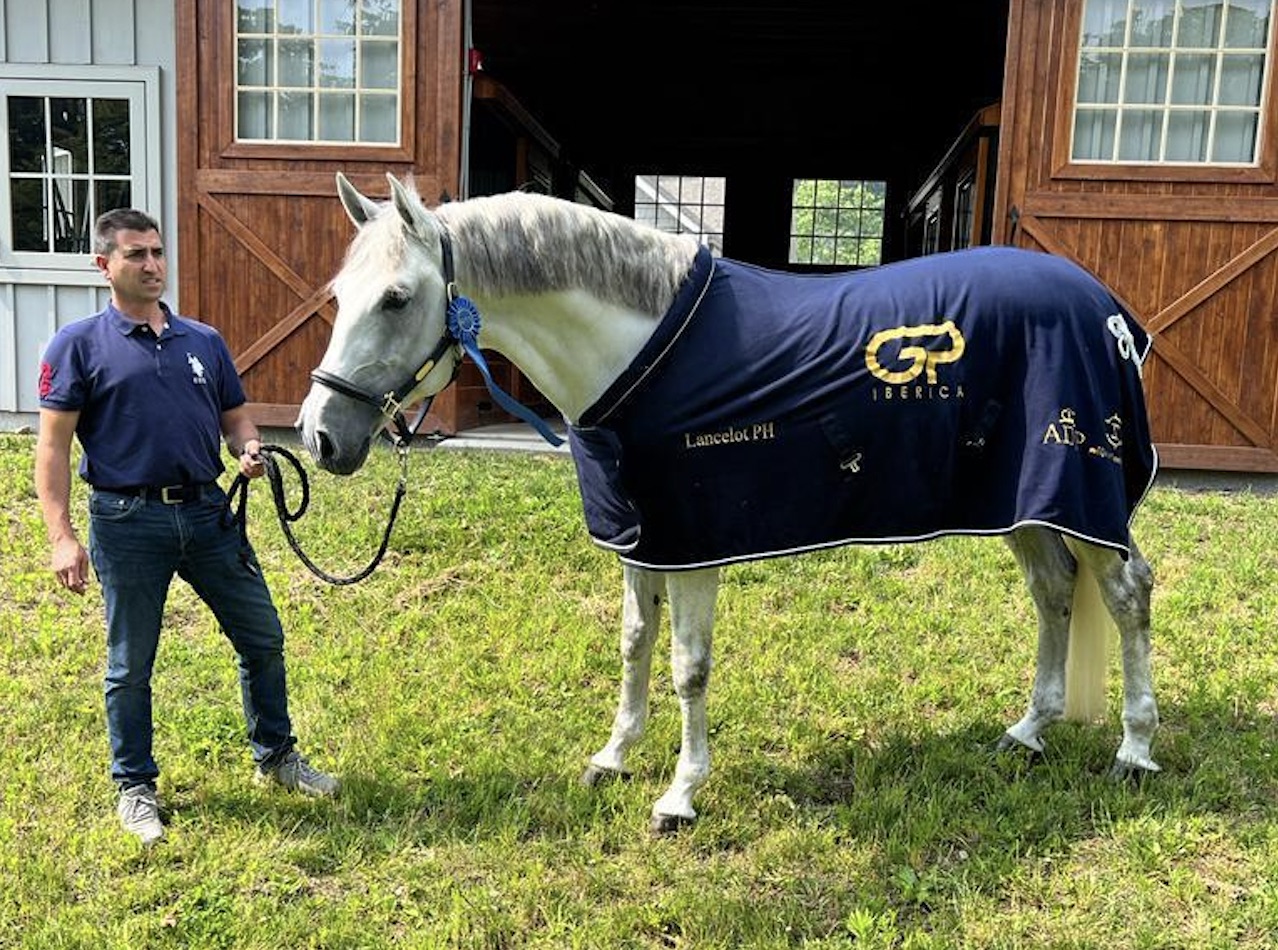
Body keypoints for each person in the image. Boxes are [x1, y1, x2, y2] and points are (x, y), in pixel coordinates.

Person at [34, 208, 338, 846]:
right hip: (126, 519)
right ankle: (136, 788)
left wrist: (248, 450)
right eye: (135, 255)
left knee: (262, 637)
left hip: (207, 515)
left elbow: (237, 419)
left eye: (157, 252)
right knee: (130, 664)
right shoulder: (77, 345)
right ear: (104, 266)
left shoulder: (204, 340)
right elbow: (53, 449)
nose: (151, 265)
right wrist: (62, 535)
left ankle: (277, 757)